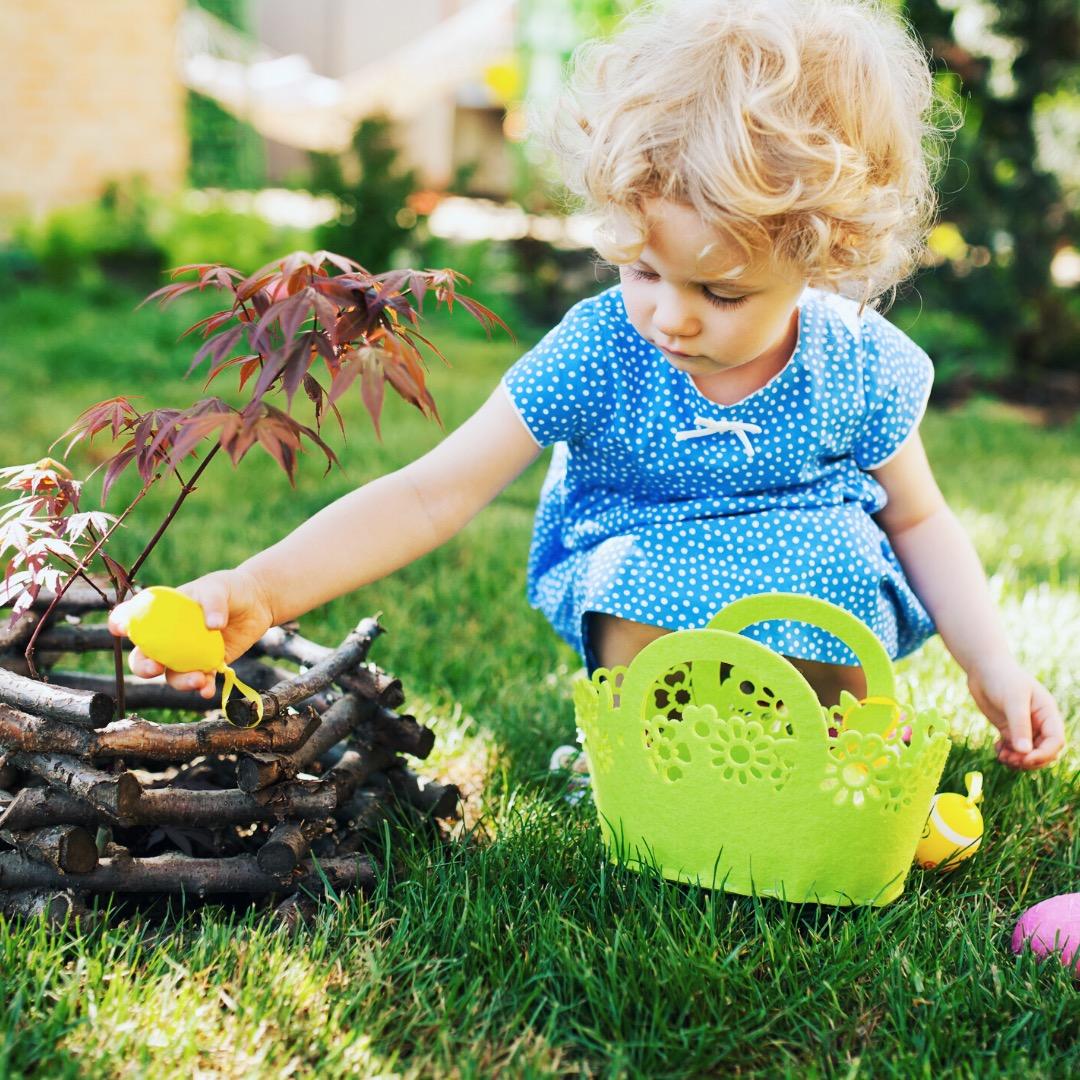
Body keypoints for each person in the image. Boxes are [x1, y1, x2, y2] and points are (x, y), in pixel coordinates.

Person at [109, 0, 1065, 771]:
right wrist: (261, 589)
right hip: (652, 562)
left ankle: (830, 753)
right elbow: (434, 493)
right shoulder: (603, 349)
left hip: (804, 573)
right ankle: (650, 751)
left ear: (822, 259)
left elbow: (919, 520)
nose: (671, 318)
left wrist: (990, 663)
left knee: (843, 568)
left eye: (721, 292)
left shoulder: (853, 361)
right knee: (636, 583)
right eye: (643, 270)